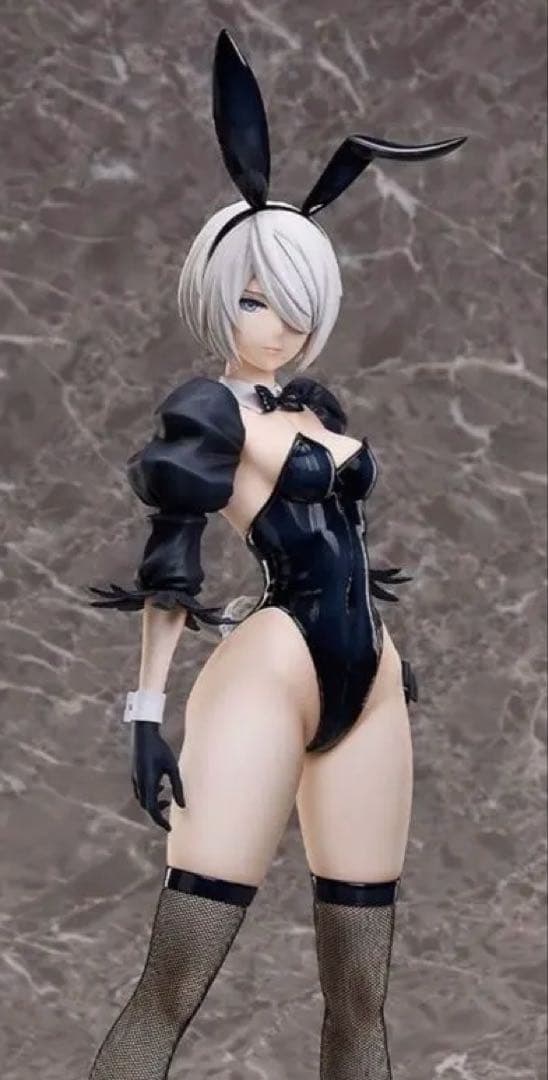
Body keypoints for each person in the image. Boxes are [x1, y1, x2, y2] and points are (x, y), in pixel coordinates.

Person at [86, 28, 465, 1080]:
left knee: (361, 992)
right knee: (176, 978)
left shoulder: (315, 409)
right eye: (257, 298)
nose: (281, 322)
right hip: (270, 668)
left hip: (369, 681)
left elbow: (348, 536)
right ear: (220, 295)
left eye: (296, 300)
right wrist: (145, 713)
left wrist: (379, 645)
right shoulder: (208, 408)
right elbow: (174, 561)